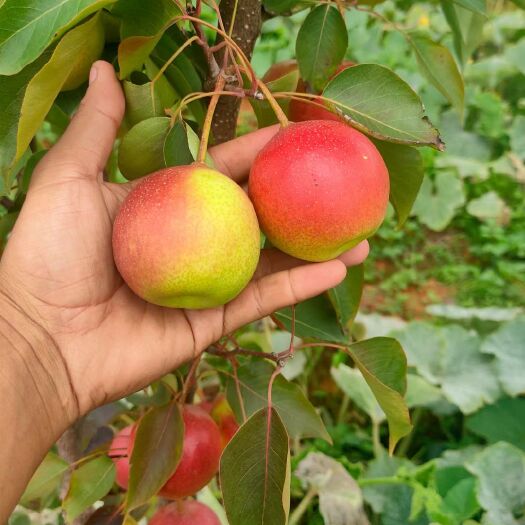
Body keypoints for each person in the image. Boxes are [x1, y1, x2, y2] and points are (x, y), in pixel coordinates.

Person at [0, 61, 368, 519]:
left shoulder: (259, 185)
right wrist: (31, 333)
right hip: (189, 272)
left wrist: (30, 341)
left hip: (180, 273)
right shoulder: (227, 199)